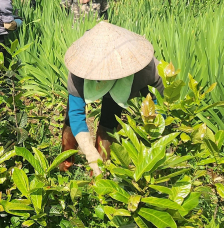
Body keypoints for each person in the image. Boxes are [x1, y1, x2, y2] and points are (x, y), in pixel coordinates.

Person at [59, 22, 164, 177]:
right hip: (95, 79)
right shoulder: (78, 71)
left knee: (109, 123)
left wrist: (155, 142)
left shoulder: (147, 70)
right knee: (70, 122)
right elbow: (76, 114)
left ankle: (100, 175)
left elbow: (159, 112)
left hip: (124, 83)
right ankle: (64, 167)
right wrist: (89, 154)